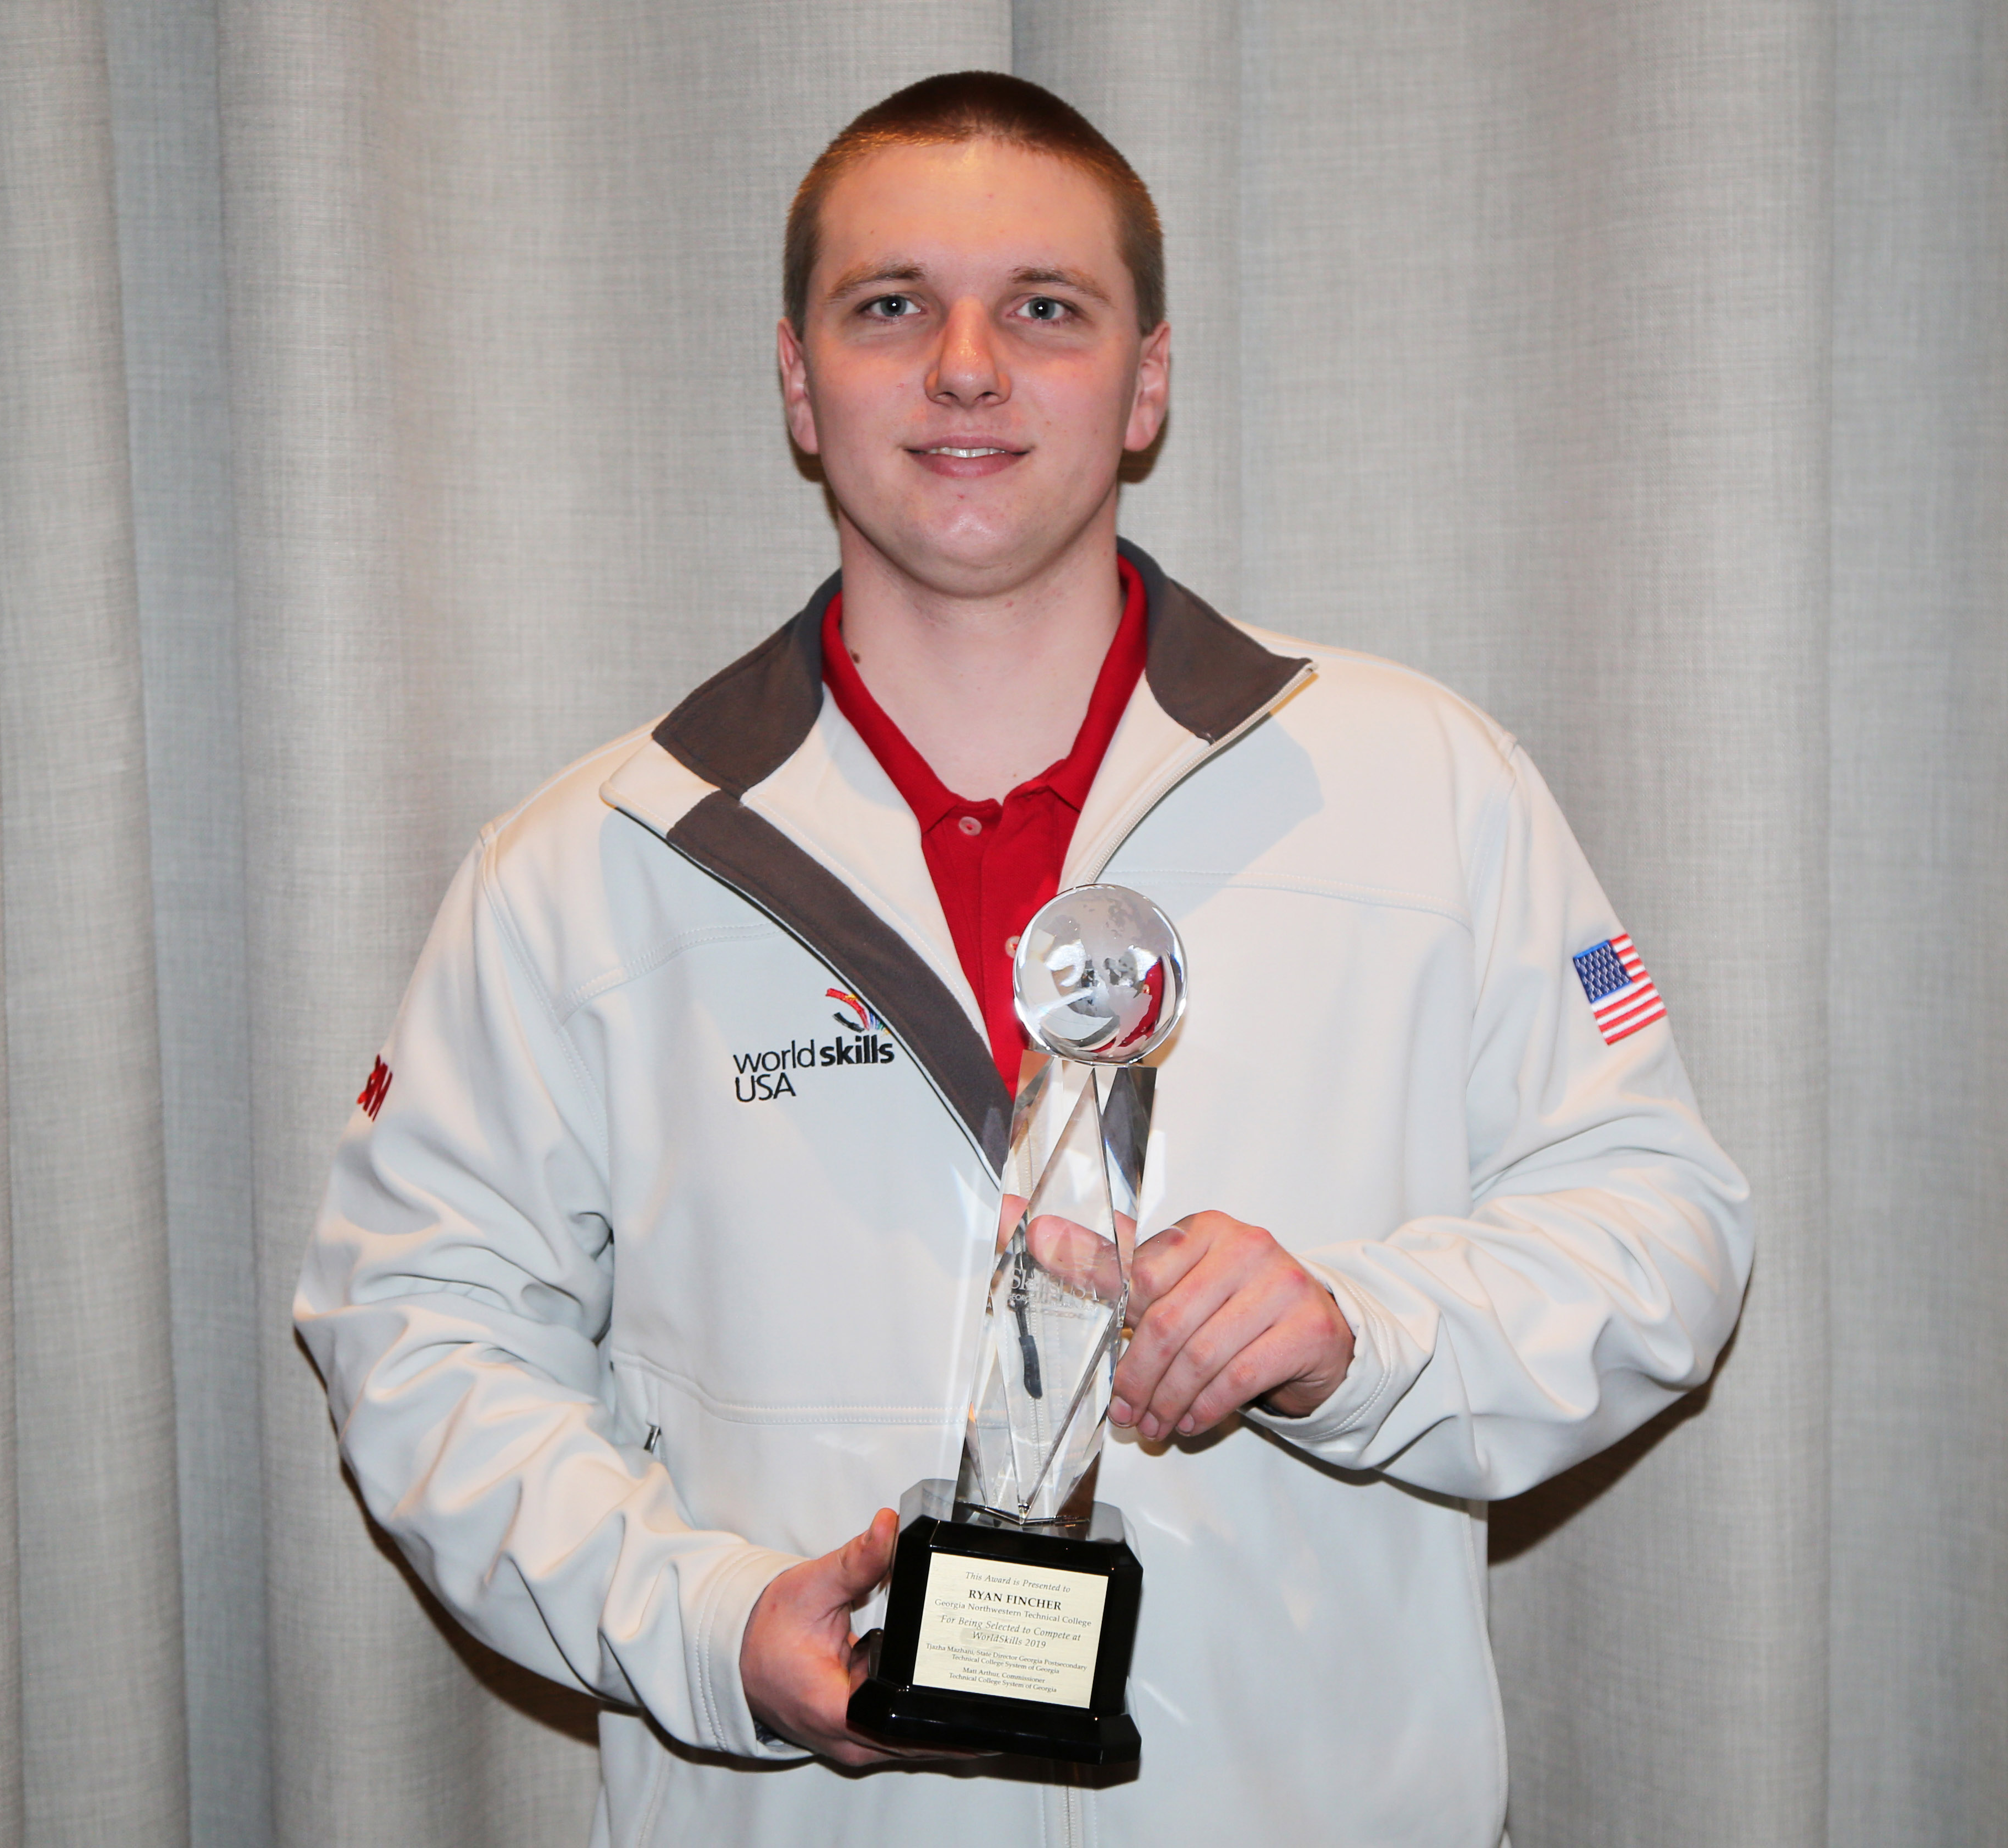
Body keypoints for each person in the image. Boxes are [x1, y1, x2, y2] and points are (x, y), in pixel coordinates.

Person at [297, 71, 1750, 1848]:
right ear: (795, 379)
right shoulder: (582, 864)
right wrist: (701, 1624)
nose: (965, 364)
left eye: (1044, 310)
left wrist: (1359, 1333)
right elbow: (418, 1325)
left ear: (1144, 383)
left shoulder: (1419, 785)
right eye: (890, 304)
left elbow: (1659, 1229)